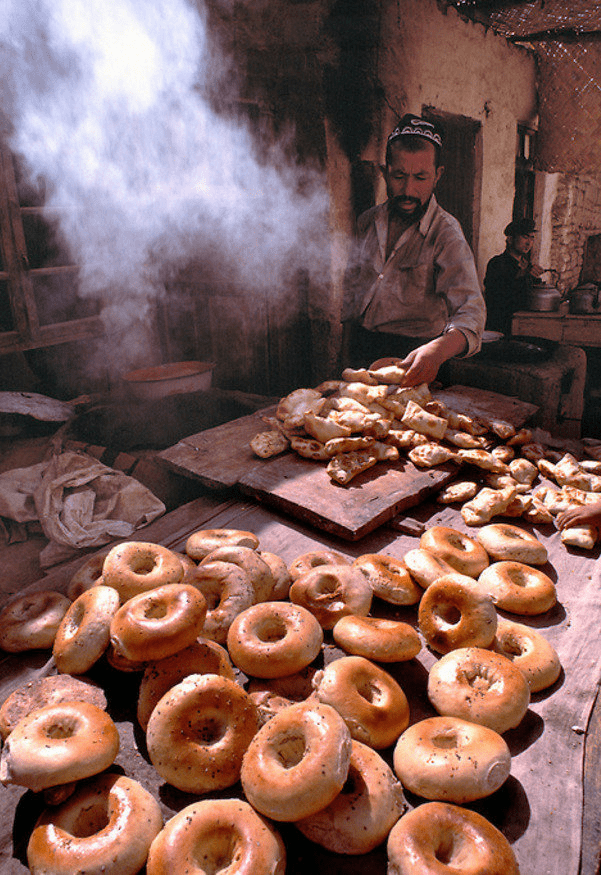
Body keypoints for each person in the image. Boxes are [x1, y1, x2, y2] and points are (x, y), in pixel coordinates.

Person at [342, 113, 486, 387]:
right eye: (399, 176)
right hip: (363, 351)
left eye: (421, 177)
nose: (408, 190)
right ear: (385, 173)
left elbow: (472, 312)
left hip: (420, 359)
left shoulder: (446, 233)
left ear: (438, 175)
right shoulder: (367, 221)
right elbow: (352, 289)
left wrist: (437, 351)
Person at [483, 218, 545, 335]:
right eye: (525, 237)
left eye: (532, 238)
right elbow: (499, 297)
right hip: (503, 328)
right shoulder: (497, 264)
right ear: (510, 239)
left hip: (526, 326)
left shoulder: (527, 265)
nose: (529, 243)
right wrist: (524, 276)